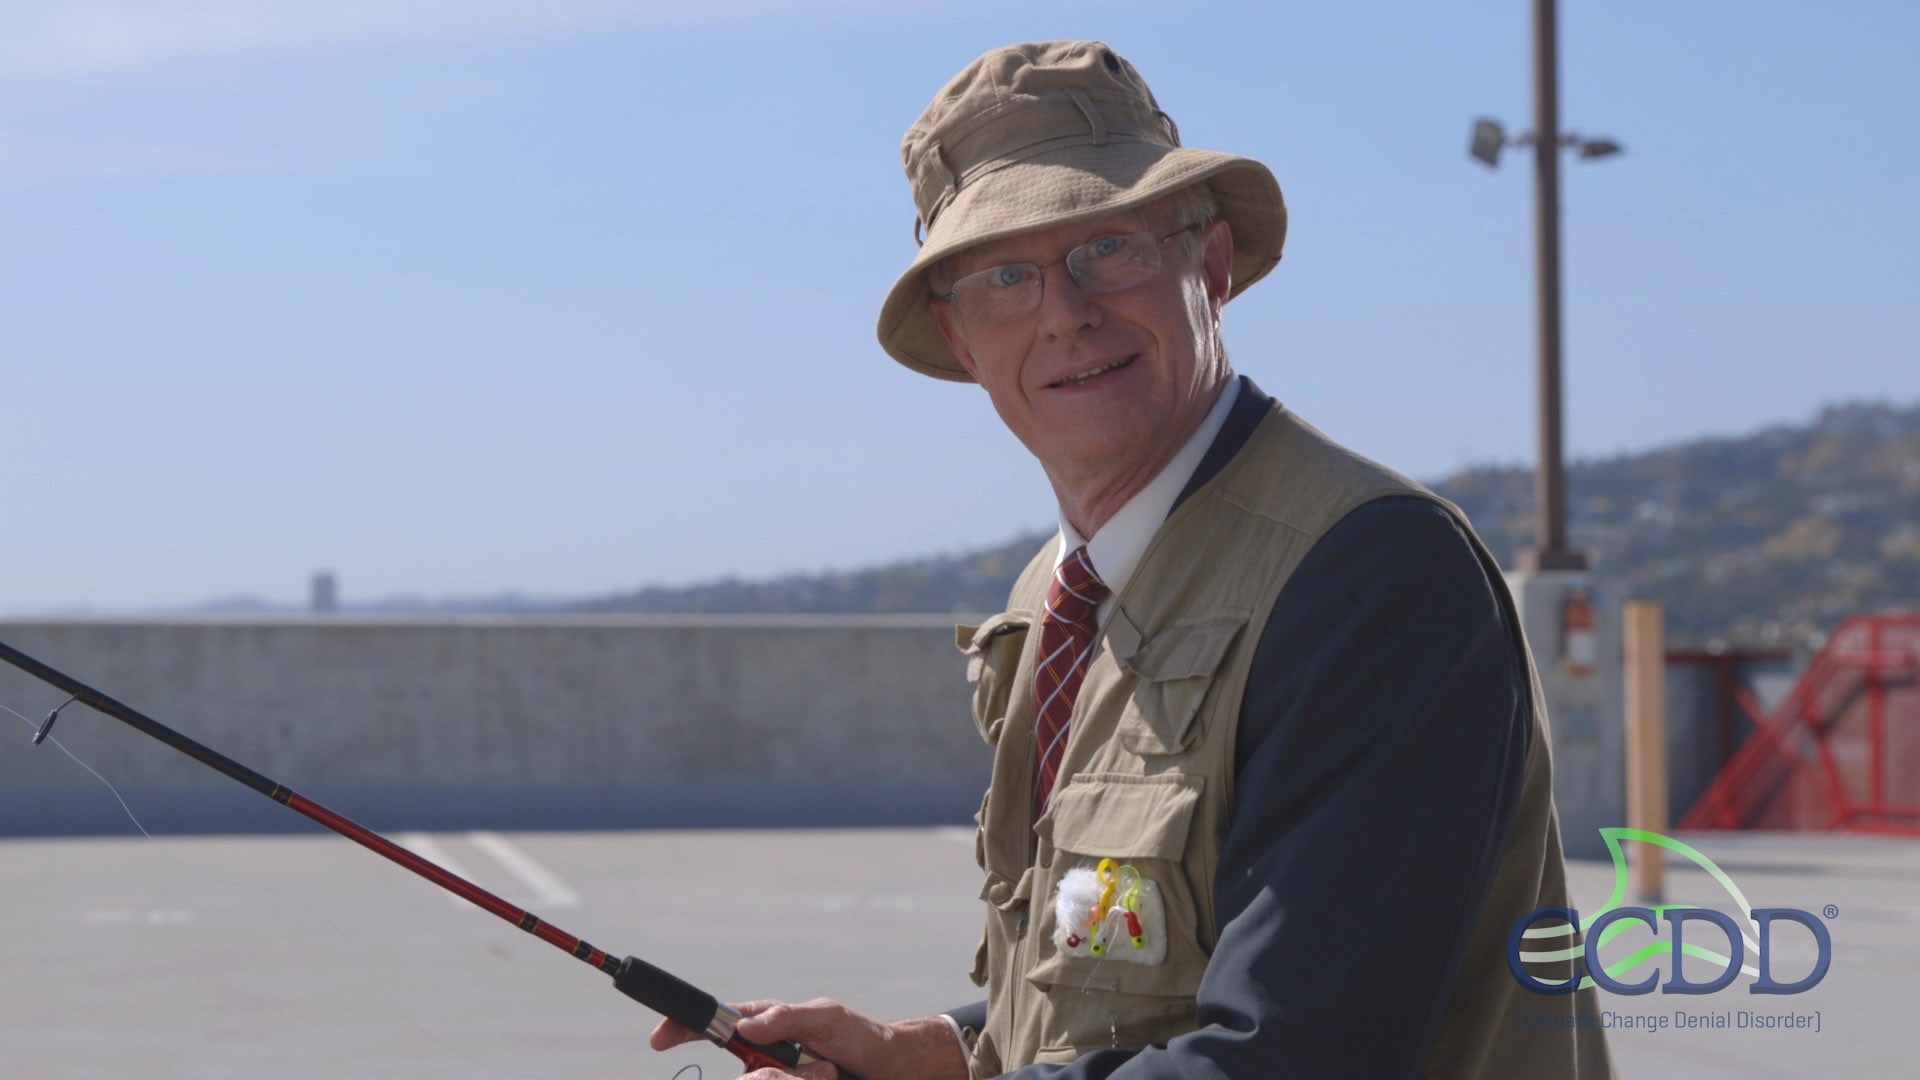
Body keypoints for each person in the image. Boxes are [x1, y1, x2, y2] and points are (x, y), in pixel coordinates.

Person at [653, 40, 1615, 1079]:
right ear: (962, 337)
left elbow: (1292, 1052)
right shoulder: (1056, 597)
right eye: (1006, 277)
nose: (1066, 314)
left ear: (1211, 265)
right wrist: (930, 1053)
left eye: (1109, 247)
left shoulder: (1371, 573)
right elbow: (1108, 984)